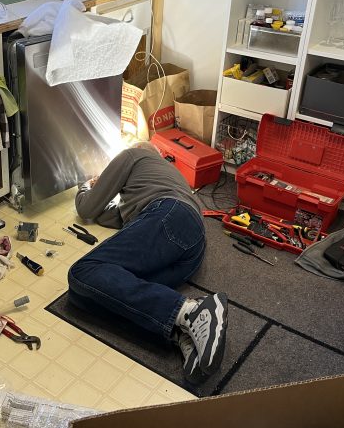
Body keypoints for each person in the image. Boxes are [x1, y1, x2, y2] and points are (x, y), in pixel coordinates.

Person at [67, 142, 228, 383]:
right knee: (84, 296)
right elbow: (109, 216)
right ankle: (180, 331)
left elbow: (87, 208)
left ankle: (192, 311)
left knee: (83, 272)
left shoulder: (132, 154)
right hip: (188, 247)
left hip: (170, 217)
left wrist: (87, 186)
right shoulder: (157, 179)